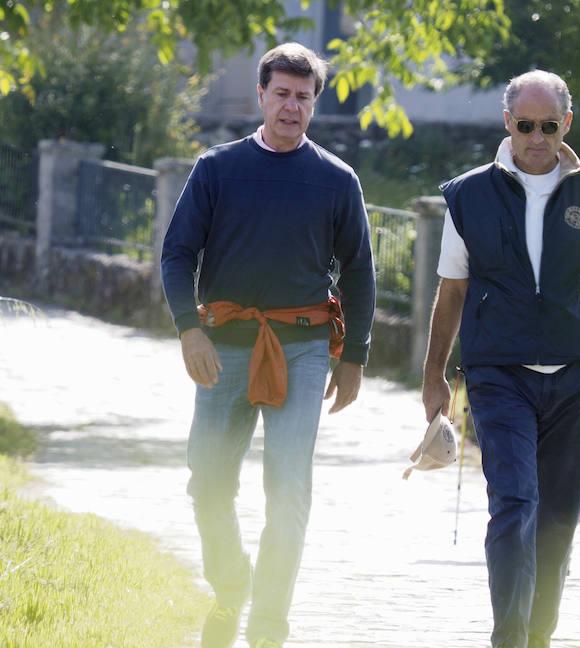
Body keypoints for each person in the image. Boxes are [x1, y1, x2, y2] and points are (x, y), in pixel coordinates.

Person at [160, 42, 375, 648]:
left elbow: (359, 271)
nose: (291, 105)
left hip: (304, 351)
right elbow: (178, 255)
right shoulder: (217, 169)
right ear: (261, 95)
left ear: (315, 103)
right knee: (207, 481)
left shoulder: (337, 179)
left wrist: (354, 355)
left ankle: (269, 621)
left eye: (303, 96)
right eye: (281, 93)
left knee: (288, 487)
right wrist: (188, 328)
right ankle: (232, 586)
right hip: (223, 345)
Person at [421, 70, 580, 648]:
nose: (536, 137)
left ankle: (539, 635)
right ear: (507, 124)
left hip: (578, 377)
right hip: (499, 374)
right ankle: (509, 636)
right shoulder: (468, 195)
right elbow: (451, 290)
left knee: (558, 517)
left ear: (566, 124)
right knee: (515, 503)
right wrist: (433, 374)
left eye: (548, 125)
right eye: (525, 125)